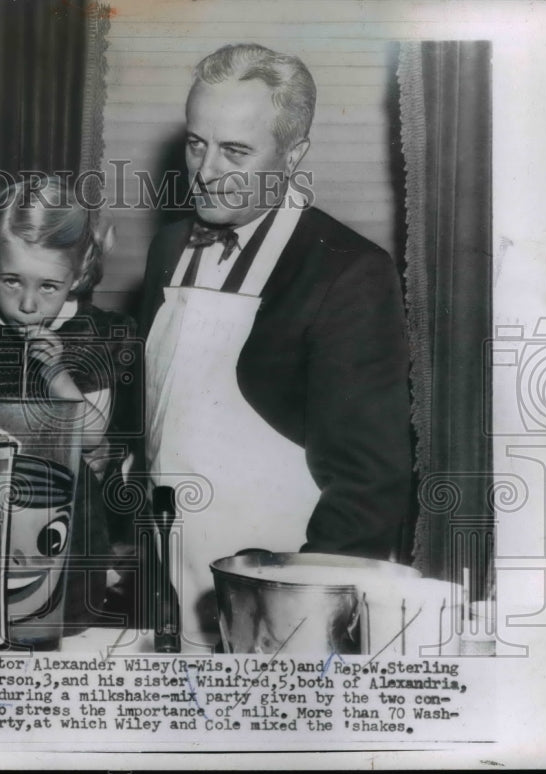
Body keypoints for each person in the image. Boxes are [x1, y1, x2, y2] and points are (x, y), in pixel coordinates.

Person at [139, 44, 412, 641]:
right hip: (167, 596)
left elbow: (369, 489)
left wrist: (294, 624)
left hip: (280, 618)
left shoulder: (347, 272)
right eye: (195, 142)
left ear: (294, 155)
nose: (206, 171)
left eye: (236, 150)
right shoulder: (167, 250)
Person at [0, 176, 141, 630]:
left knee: (65, 628)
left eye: (48, 287)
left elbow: (93, 435)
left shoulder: (92, 335)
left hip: (71, 517)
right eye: (11, 281)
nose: (25, 303)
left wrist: (59, 377)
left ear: (76, 277)